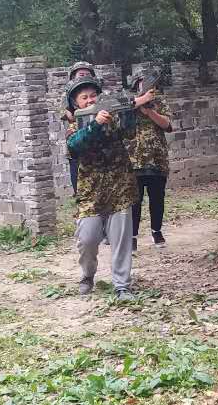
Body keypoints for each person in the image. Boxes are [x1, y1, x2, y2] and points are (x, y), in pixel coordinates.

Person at [65, 75, 155, 300]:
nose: (90, 100)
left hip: (120, 186)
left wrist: (129, 109)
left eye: (93, 96)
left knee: (121, 240)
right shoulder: (75, 124)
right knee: (87, 239)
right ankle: (88, 275)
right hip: (91, 192)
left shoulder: (112, 117)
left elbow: (130, 132)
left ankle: (122, 285)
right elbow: (75, 146)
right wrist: (95, 124)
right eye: (84, 97)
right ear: (76, 103)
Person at [124, 70, 173, 250]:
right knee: (134, 202)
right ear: (135, 85)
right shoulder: (127, 103)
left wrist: (149, 111)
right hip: (133, 160)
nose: (146, 86)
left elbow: (167, 125)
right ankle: (132, 236)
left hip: (157, 159)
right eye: (141, 83)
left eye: (150, 83)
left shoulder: (159, 102)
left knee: (157, 198)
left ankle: (156, 231)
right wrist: (139, 102)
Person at [61, 61, 97, 194]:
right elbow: (70, 116)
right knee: (80, 188)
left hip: (98, 147)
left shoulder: (98, 93)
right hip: (77, 144)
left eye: (88, 74)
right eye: (81, 75)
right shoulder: (67, 96)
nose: (84, 77)